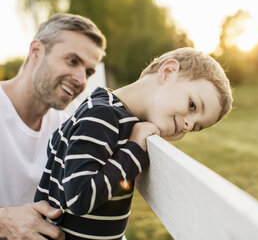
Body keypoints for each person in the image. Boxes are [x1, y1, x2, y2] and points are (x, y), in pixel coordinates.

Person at [34, 47, 233, 239]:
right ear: (168, 72)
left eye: (197, 127)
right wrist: (134, 149)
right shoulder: (102, 116)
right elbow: (78, 197)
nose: (189, 125)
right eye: (192, 105)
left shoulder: (105, 109)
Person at [0, 13, 106, 240]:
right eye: (72, 61)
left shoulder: (65, 129)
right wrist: (4, 221)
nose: (81, 80)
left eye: (88, 71)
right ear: (37, 52)